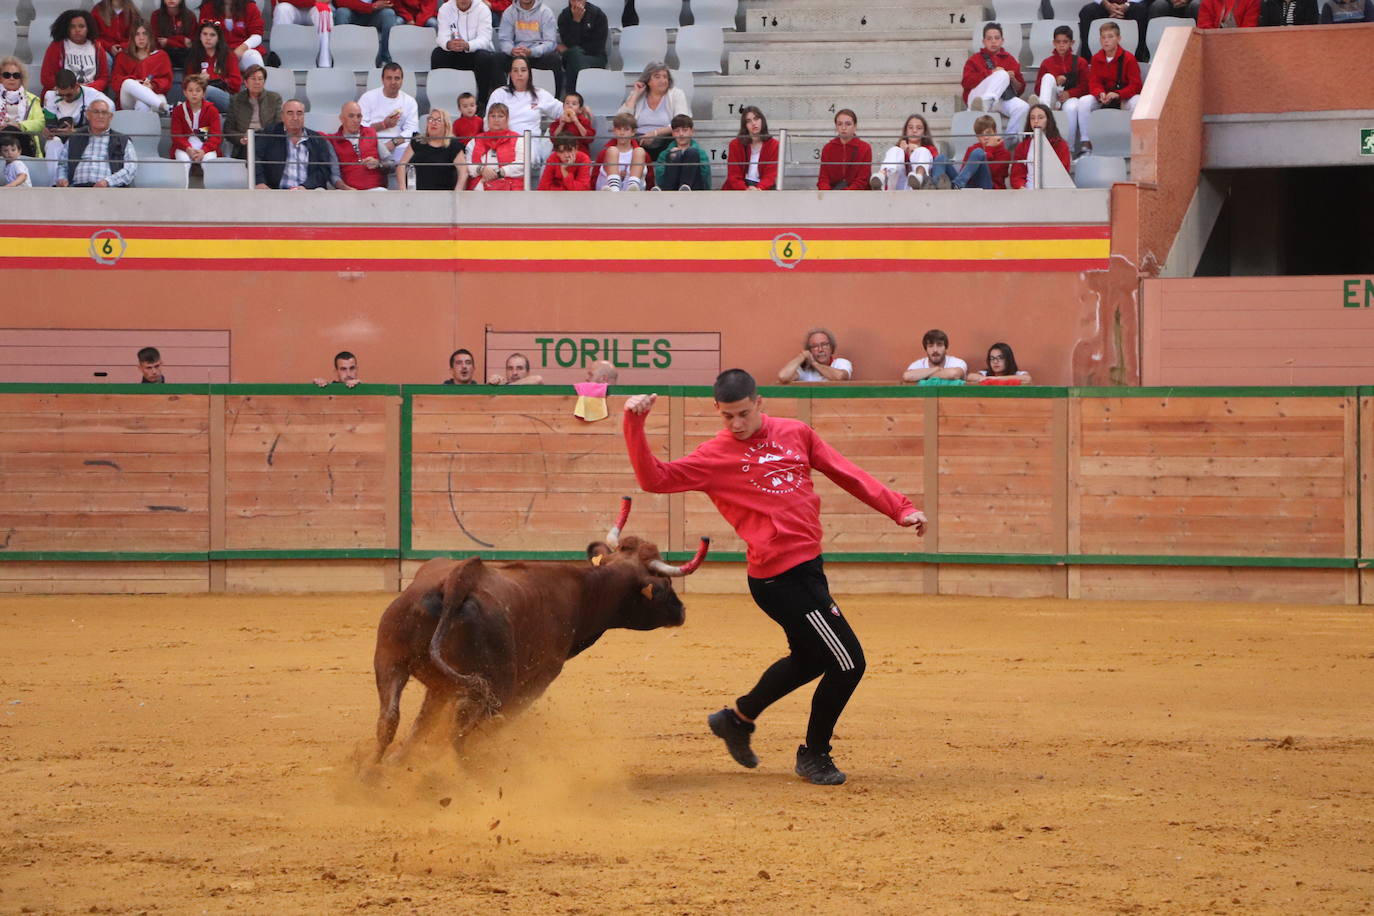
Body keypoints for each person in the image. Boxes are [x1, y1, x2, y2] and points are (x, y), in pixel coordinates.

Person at [622, 371, 926, 786]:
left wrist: (899, 508)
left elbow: (844, 471)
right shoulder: (715, 455)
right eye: (727, 416)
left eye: (744, 414)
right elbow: (653, 479)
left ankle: (737, 719)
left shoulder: (796, 433)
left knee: (812, 658)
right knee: (849, 663)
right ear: (717, 410)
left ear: (759, 402)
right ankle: (814, 754)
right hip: (781, 578)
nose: (736, 424)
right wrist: (634, 424)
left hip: (807, 569)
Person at [1078, 20, 1143, 156]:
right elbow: (1094, 82)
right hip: (1104, 98)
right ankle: (1086, 143)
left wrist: (1118, 94)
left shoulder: (1129, 58)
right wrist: (1099, 93)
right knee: (1084, 101)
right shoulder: (1096, 58)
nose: (1106, 41)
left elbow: (1136, 85)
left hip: (1123, 97)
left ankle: (1136, 143)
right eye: (1103, 37)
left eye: (1110, 37)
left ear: (1118, 39)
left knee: (1137, 101)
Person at [485, 57, 562, 166]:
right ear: (510, 74)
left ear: (529, 73)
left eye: (523, 70)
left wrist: (581, 109)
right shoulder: (499, 94)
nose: (519, 74)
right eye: (515, 70)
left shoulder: (540, 94)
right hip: (502, 141)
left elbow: (561, 111)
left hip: (529, 144)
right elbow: (487, 123)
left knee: (524, 158)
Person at [961, 22, 1028, 142]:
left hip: (999, 100)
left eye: (997, 38)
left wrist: (1012, 79)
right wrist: (990, 73)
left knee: (1023, 107)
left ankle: (1008, 140)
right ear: (984, 41)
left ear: (1002, 40)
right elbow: (966, 82)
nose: (993, 41)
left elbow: (1020, 89)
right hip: (977, 98)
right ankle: (984, 104)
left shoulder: (1010, 59)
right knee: (1001, 74)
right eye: (989, 38)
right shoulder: (975, 59)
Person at [254, 99, 340, 189]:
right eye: (290, 113)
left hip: (308, 192)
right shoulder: (269, 134)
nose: (295, 117)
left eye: (299, 113)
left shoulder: (317, 139)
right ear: (282, 117)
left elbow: (324, 170)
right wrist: (260, 182)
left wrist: (305, 187)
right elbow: (254, 157)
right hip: (276, 193)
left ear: (304, 116)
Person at [432, 0, 502, 111]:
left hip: (475, 52)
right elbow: (441, 37)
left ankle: (482, 102)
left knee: (484, 57)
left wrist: (468, 45)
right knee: (438, 54)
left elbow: (485, 39)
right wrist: (448, 44)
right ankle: (441, 98)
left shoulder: (482, 9)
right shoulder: (445, 8)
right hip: (454, 51)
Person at [55, 98, 139, 187]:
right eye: (96, 112)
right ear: (88, 115)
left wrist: (107, 182)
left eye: (104, 113)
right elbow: (62, 164)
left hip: (108, 190)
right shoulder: (75, 137)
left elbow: (131, 168)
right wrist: (62, 179)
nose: (100, 116)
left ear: (110, 117)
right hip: (77, 190)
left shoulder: (122, 140)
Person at [618, 62, 688, 164]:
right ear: (648, 80)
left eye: (665, 77)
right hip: (639, 140)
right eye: (657, 77)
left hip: (666, 140)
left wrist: (654, 134)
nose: (662, 80)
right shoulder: (638, 95)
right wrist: (635, 94)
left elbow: (681, 122)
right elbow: (621, 119)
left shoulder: (676, 94)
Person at [1035, 25, 1089, 151]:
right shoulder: (1047, 62)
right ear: (1054, 43)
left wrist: (1070, 93)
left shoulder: (1081, 62)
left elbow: (1086, 86)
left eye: (1065, 42)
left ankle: (1068, 149)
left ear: (1072, 43)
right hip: (1052, 97)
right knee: (1048, 77)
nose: (1061, 45)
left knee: (1072, 108)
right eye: (1058, 42)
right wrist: (1055, 80)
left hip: (1071, 98)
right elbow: (1038, 88)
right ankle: (1044, 110)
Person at [42, 70, 109, 166]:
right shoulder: (50, 96)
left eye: (68, 95)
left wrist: (75, 132)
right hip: (60, 138)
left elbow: (98, 127)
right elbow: (50, 123)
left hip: (85, 137)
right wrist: (48, 131)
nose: (65, 98)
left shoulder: (93, 97)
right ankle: (53, 180)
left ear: (77, 86)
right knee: (52, 143)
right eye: (61, 95)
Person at [499, 0, 563, 100]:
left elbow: (550, 42)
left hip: (537, 55)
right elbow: (504, 40)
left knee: (554, 59)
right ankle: (500, 101)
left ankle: (556, 100)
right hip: (516, 55)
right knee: (496, 59)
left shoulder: (545, 12)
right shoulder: (509, 12)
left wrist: (532, 51)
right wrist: (512, 50)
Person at [359, 62, 420, 168]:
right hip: (373, 143)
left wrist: (393, 142)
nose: (393, 82)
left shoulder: (409, 101)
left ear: (402, 81)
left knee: (413, 147)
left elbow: (412, 131)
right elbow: (361, 128)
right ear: (382, 80)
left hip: (398, 145)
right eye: (389, 78)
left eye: (397, 78)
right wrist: (383, 124)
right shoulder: (368, 98)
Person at [930, 114, 1009, 189]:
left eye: (988, 133)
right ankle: (937, 185)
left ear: (995, 132)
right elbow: (964, 174)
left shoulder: (1004, 153)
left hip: (989, 187)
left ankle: (957, 185)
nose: (985, 137)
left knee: (978, 152)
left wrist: (989, 148)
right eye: (981, 135)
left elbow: (993, 173)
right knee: (941, 158)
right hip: (967, 185)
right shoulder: (972, 149)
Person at [41, 10, 110, 95]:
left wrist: (86, 89)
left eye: (81, 26)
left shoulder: (97, 48)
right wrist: (68, 89)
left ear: (88, 28)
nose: (77, 30)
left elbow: (104, 77)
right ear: (66, 28)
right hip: (63, 93)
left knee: (110, 105)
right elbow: (46, 77)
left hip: (90, 93)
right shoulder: (57, 46)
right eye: (72, 27)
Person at [400, 107, 467, 190]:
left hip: (443, 195)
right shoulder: (417, 141)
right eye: (431, 119)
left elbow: (463, 172)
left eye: (438, 120)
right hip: (416, 193)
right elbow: (401, 165)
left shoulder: (453, 145)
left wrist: (457, 192)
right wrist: (403, 189)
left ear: (446, 125)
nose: (433, 123)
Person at [224, 64, 282, 158]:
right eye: (253, 79)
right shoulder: (236, 100)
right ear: (246, 82)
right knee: (251, 149)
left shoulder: (274, 98)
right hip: (245, 144)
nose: (257, 82)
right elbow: (228, 130)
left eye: (260, 79)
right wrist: (241, 138)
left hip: (267, 142)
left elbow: (279, 126)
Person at [330, 100, 390, 190]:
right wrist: (345, 188)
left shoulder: (371, 133)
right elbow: (334, 175)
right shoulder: (333, 140)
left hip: (377, 190)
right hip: (350, 193)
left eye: (359, 116)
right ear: (341, 118)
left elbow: (392, 164)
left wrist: (378, 164)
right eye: (351, 116)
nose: (356, 120)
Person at [111, 24, 172, 113]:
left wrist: (152, 85)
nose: (141, 38)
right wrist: (136, 83)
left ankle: (163, 107)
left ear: (150, 36)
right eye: (137, 34)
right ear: (132, 37)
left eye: (144, 34)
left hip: (154, 94)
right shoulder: (123, 56)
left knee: (142, 103)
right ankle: (165, 107)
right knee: (128, 82)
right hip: (128, 98)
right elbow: (115, 82)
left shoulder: (161, 56)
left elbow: (166, 81)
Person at [1010, 103, 1070, 190]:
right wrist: (1021, 187)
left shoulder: (1060, 144)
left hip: (1053, 193)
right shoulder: (1022, 147)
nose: (1036, 121)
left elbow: (1063, 173)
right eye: (1032, 118)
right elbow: (1017, 175)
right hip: (1027, 192)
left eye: (1040, 118)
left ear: (1048, 120)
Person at [170, 74, 222, 174]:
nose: (194, 94)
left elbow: (215, 137)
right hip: (184, 146)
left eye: (198, 90)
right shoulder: (178, 111)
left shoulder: (212, 110)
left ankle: (211, 189)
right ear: (185, 92)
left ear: (203, 93)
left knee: (210, 161)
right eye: (190, 90)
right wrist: (187, 148)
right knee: (183, 162)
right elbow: (176, 136)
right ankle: (183, 189)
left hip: (206, 146)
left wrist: (204, 150)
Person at [186, 20, 242, 114]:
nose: (208, 38)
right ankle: (202, 125)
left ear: (218, 38)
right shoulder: (194, 56)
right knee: (199, 92)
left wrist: (214, 80)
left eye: (212, 35)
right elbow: (186, 83)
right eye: (205, 34)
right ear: (200, 36)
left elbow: (236, 84)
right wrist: (198, 79)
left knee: (206, 90)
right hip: (200, 97)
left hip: (226, 98)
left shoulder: (228, 55)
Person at [877, 113, 942, 191]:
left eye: (919, 128)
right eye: (910, 128)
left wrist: (915, 151)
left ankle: (919, 177)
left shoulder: (930, 149)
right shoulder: (899, 149)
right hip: (898, 185)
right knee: (895, 150)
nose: (914, 131)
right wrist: (904, 153)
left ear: (924, 132)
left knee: (922, 151)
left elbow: (935, 167)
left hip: (922, 185)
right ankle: (881, 176)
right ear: (906, 131)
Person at [467, 102, 524, 189]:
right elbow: (466, 164)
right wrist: (481, 169)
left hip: (510, 190)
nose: (496, 120)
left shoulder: (518, 139)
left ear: (507, 119)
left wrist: (499, 172)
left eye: (501, 116)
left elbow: (523, 165)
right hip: (479, 189)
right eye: (493, 116)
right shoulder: (474, 140)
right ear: (488, 119)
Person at [198, 0, 267, 71]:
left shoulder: (250, 7)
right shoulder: (207, 7)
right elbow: (202, 35)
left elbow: (257, 35)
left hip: (242, 51)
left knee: (253, 57)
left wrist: (242, 48)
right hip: (216, 52)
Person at [721, 105, 778, 190]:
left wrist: (759, 189)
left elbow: (770, 175)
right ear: (745, 125)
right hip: (740, 187)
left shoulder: (774, 145)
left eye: (756, 119)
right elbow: (733, 175)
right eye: (748, 121)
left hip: (763, 188)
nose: (753, 123)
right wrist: (745, 190)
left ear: (762, 120)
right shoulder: (735, 144)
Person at [556, 0, 608, 93]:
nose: (576, 3)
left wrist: (575, 50)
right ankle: (589, 90)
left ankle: (571, 97)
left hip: (596, 57)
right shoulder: (564, 16)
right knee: (574, 55)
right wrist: (576, 21)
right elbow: (570, 43)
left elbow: (597, 47)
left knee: (572, 57)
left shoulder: (598, 14)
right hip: (574, 56)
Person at [816, 109, 872, 191]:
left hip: (857, 196)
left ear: (855, 126)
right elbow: (823, 178)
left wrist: (845, 194)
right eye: (839, 124)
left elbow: (862, 179)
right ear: (836, 127)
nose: (843, 128)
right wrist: (828, 194)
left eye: (848, 124)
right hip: (832, 195)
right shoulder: (828, 148)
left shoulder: (865, 148)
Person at [334, 0, 401, 67]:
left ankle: (386, 61)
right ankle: (342, 59)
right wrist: (372, 6)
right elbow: (340, 2)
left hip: (374, 14)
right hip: (352, 12)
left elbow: (392, 3)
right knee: (341, 12)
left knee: (388, 14)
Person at [0, 59, 45, 157]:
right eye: (7, 75)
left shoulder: (32, 99)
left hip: (24, 142)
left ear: (21, 79)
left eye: (16, 76)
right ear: (0, 78)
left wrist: (19, 125)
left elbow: (40, 123)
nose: (11, 78)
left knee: (12, 129)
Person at [1077, 0, 1150, 61]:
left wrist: (1127, 5)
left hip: (1131, 4)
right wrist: (1106, 4)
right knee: (1087, 11)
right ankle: (1088, 61)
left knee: (1140, 11)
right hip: (1105, 4)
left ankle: (1137, 59)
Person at [654, 114, 709, 191]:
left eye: (685, 130)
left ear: (692, 131)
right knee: (674, 155)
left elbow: (705, 176)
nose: (681, 134)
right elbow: (660, 177)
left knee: (691, 153)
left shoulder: (700, 152)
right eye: (677, 131)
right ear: (673, 133)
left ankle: (685, 186)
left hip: (694, 188)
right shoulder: (665, 153)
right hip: (671, 188)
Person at [777, 328, 853, 383]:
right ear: (810, 351)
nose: (820, 349)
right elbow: (783, 376)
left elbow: (841, 378)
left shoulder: (840, 363)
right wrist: (802, 356)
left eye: (824, 345)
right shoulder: (804, 370)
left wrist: (814, 363)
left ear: (831, 347)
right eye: (815, 346)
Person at [272, 0, 334, 68]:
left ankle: (325, 64)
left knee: (324, 11)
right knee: (282, 9)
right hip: (291, 6)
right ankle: (281, 61)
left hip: (315, 7)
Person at [595, 111, 646, 191]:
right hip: (607, 189)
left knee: (639, 151)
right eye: (619, 129)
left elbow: (649, 177)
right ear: (614, 131)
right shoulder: (605, 152)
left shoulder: (639, 153)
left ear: (633, 132)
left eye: (626, 129)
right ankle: (614, 188)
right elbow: (595, 174)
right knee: (612, 151)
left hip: (632, 191)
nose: (622, 133)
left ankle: (632, 186)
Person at [150, 0, 199, 71]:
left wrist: (168, 41)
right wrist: (182, 40)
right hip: (163, 55)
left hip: (186, 56)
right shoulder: (156, 15)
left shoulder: (190, 16)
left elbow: (191, 43)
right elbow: (157, 42)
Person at [902, 329, 967, 382]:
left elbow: (954, 374)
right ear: (926, 349)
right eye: (930, 346)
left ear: (946, 347)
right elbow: (907, 376)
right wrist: (936, 369)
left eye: (939, 345)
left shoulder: (957, 362)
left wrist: (921, 376)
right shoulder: (919, 364)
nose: (935, 350)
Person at [966, 342, 1033, 385]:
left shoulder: (1018, 374)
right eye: (992, 358)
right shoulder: (985, 374)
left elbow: (1027, 378)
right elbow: (970, 377)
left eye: (1000, 358)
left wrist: (997, 379)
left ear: (1008, 359)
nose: (995, 361)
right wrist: (992, 378)